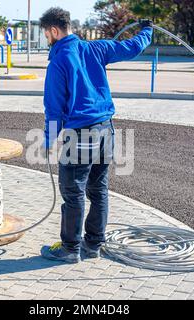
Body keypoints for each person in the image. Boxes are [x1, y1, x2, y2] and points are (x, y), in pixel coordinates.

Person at [39, 7, 153, 263]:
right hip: (106, 130)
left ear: (54, 31)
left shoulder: (59, 59)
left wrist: (48, 140)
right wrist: (148, 31)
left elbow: (54, 107)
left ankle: (69, 249)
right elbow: (131, 47)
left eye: (46, 34)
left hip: (80, 135)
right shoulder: (96, 48)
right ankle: (92, 245)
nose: (47, 39)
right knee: (98, 190)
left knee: (73, 191)